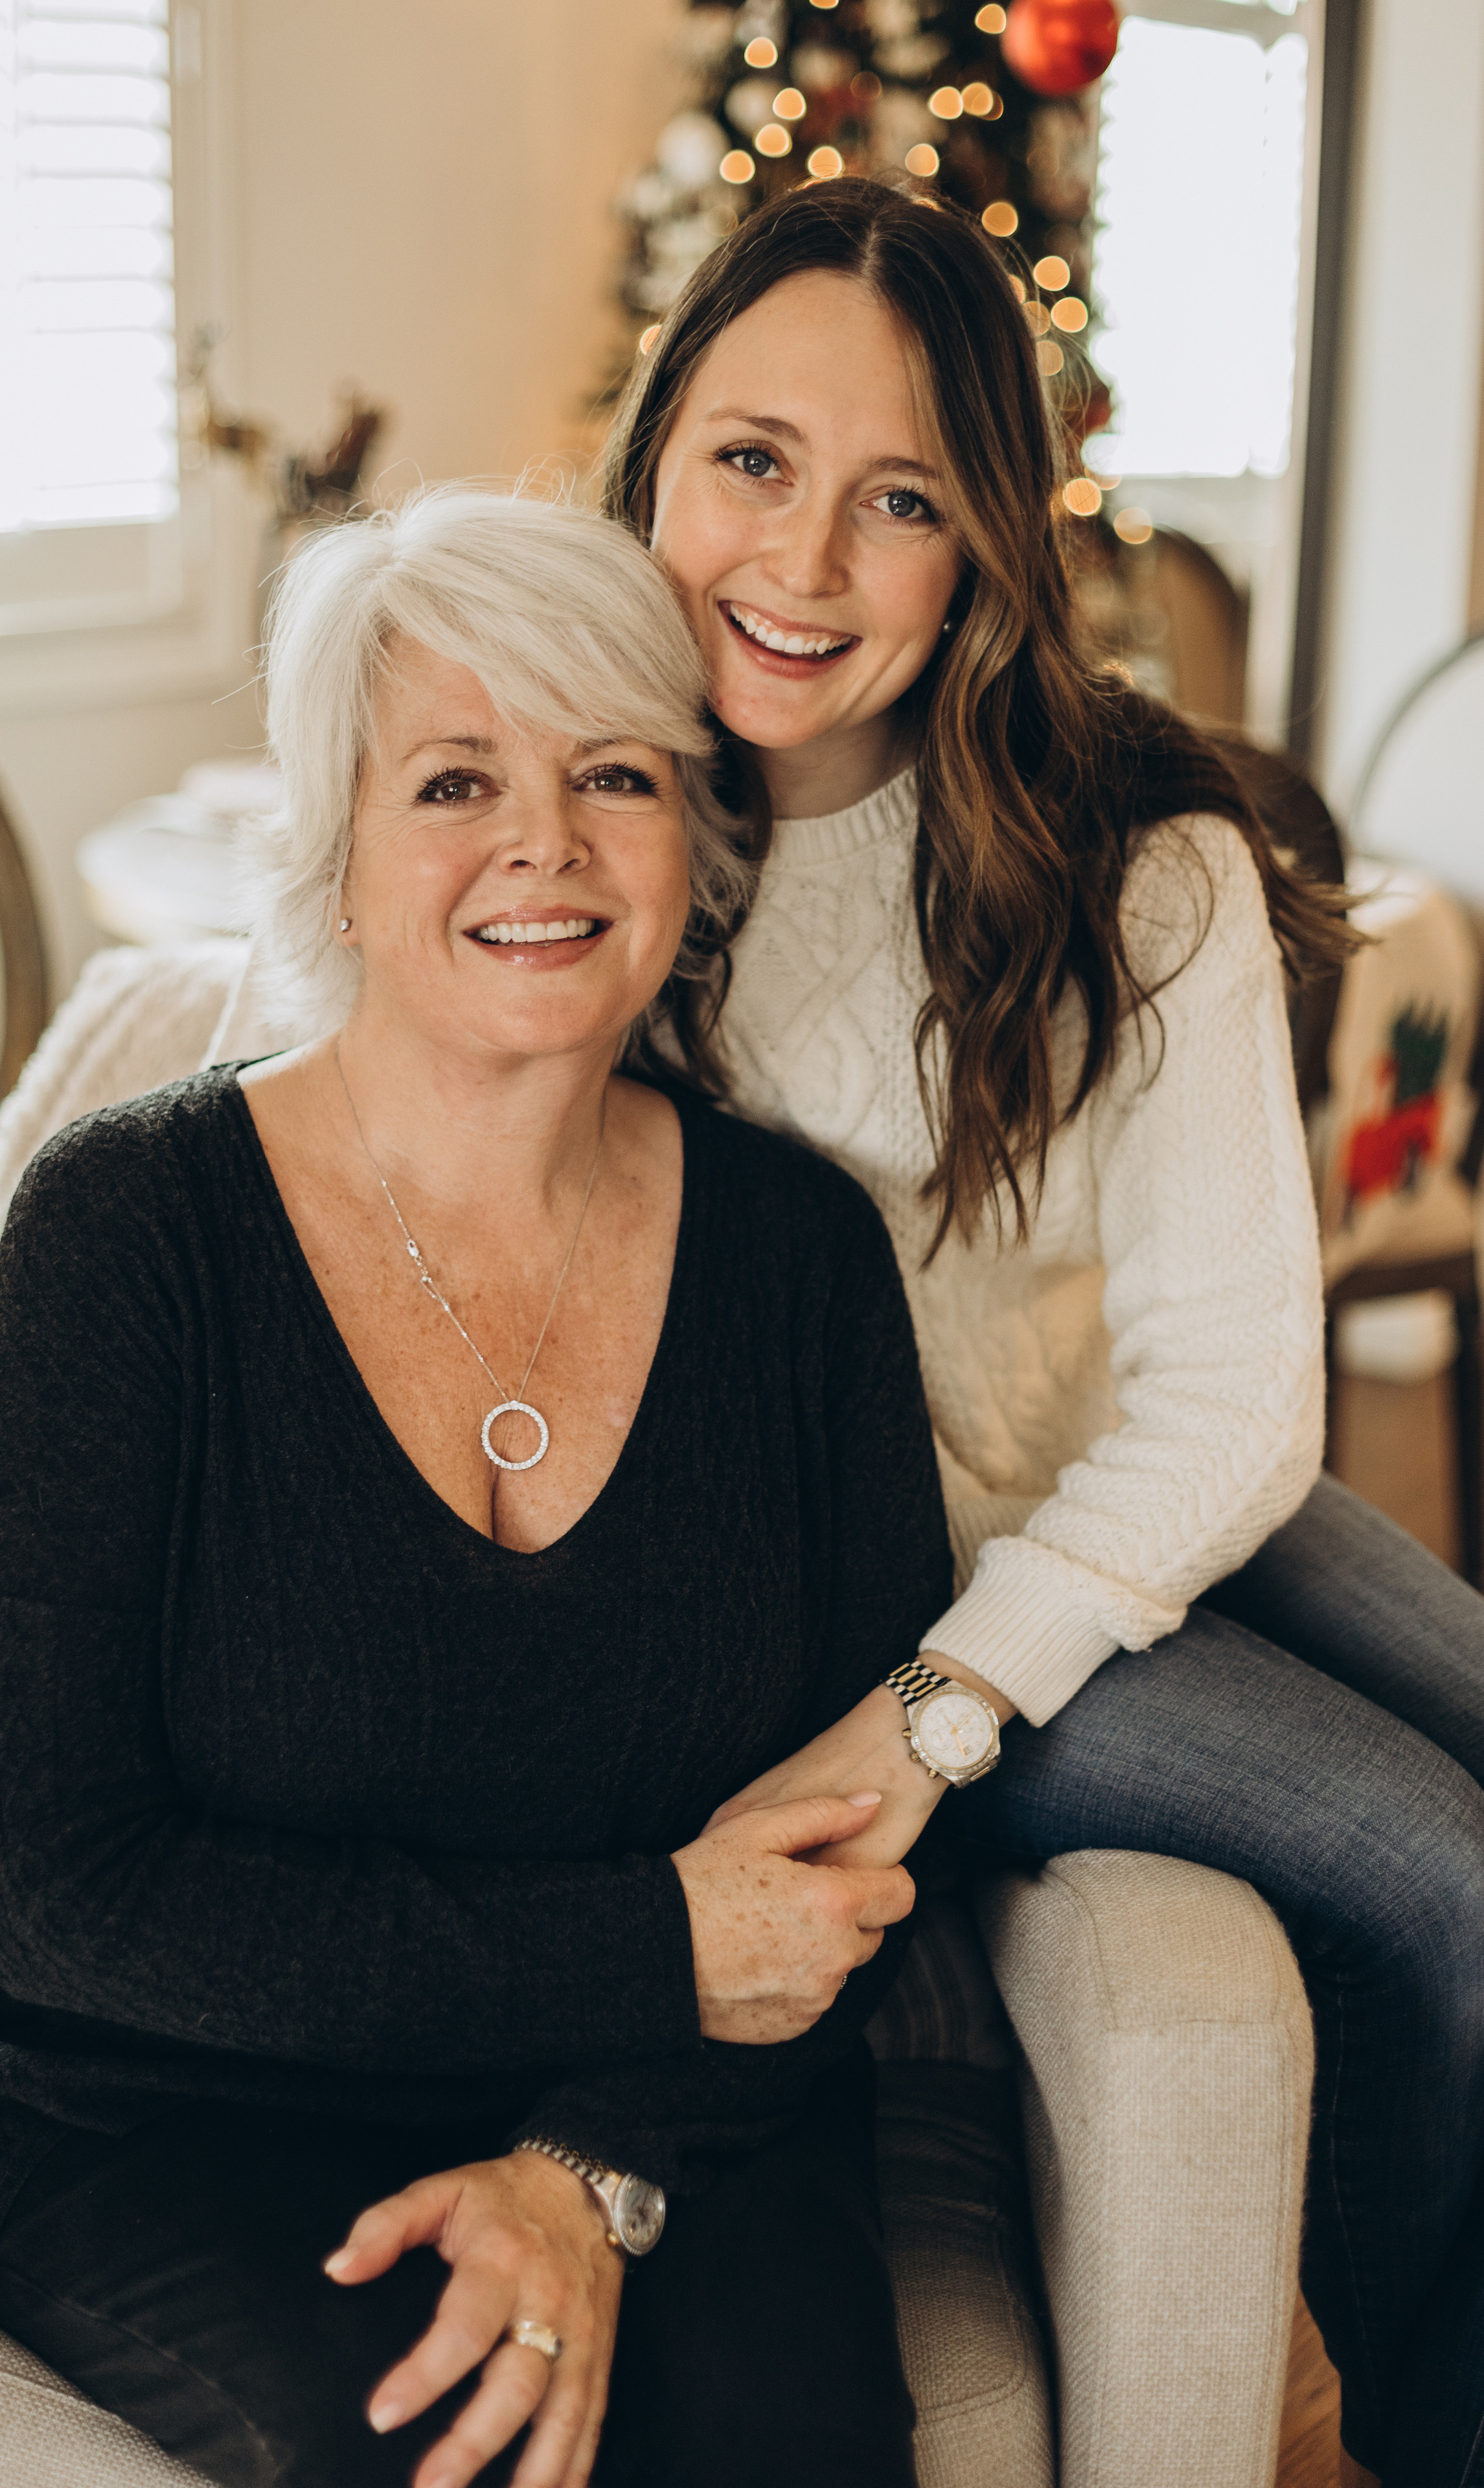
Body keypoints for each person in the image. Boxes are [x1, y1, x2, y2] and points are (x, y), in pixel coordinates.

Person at [0, 490, 943, 2488]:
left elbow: (847, 1816)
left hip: (660, 2088)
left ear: (696, 846)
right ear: (339, 862)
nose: (542, 842)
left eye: (613, 773)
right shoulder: (129, 1235)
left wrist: (589, 2155)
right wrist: (644, 1942)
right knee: (442, 2460)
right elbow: (56, 1889)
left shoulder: (803, 1263)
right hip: (161, 2092)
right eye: (456, 780)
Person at [595, 176, 1484, 2488]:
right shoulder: (584, 796)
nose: (800, 566)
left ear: (986, 537)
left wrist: (959, 1698)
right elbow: (226, 1135)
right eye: (754, 461)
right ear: (658, 450)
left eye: (898, 500)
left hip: (1098, 1498)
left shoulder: (1132, 858)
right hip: (842, 1573)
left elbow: (1234, 1410)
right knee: (1446, 1881)